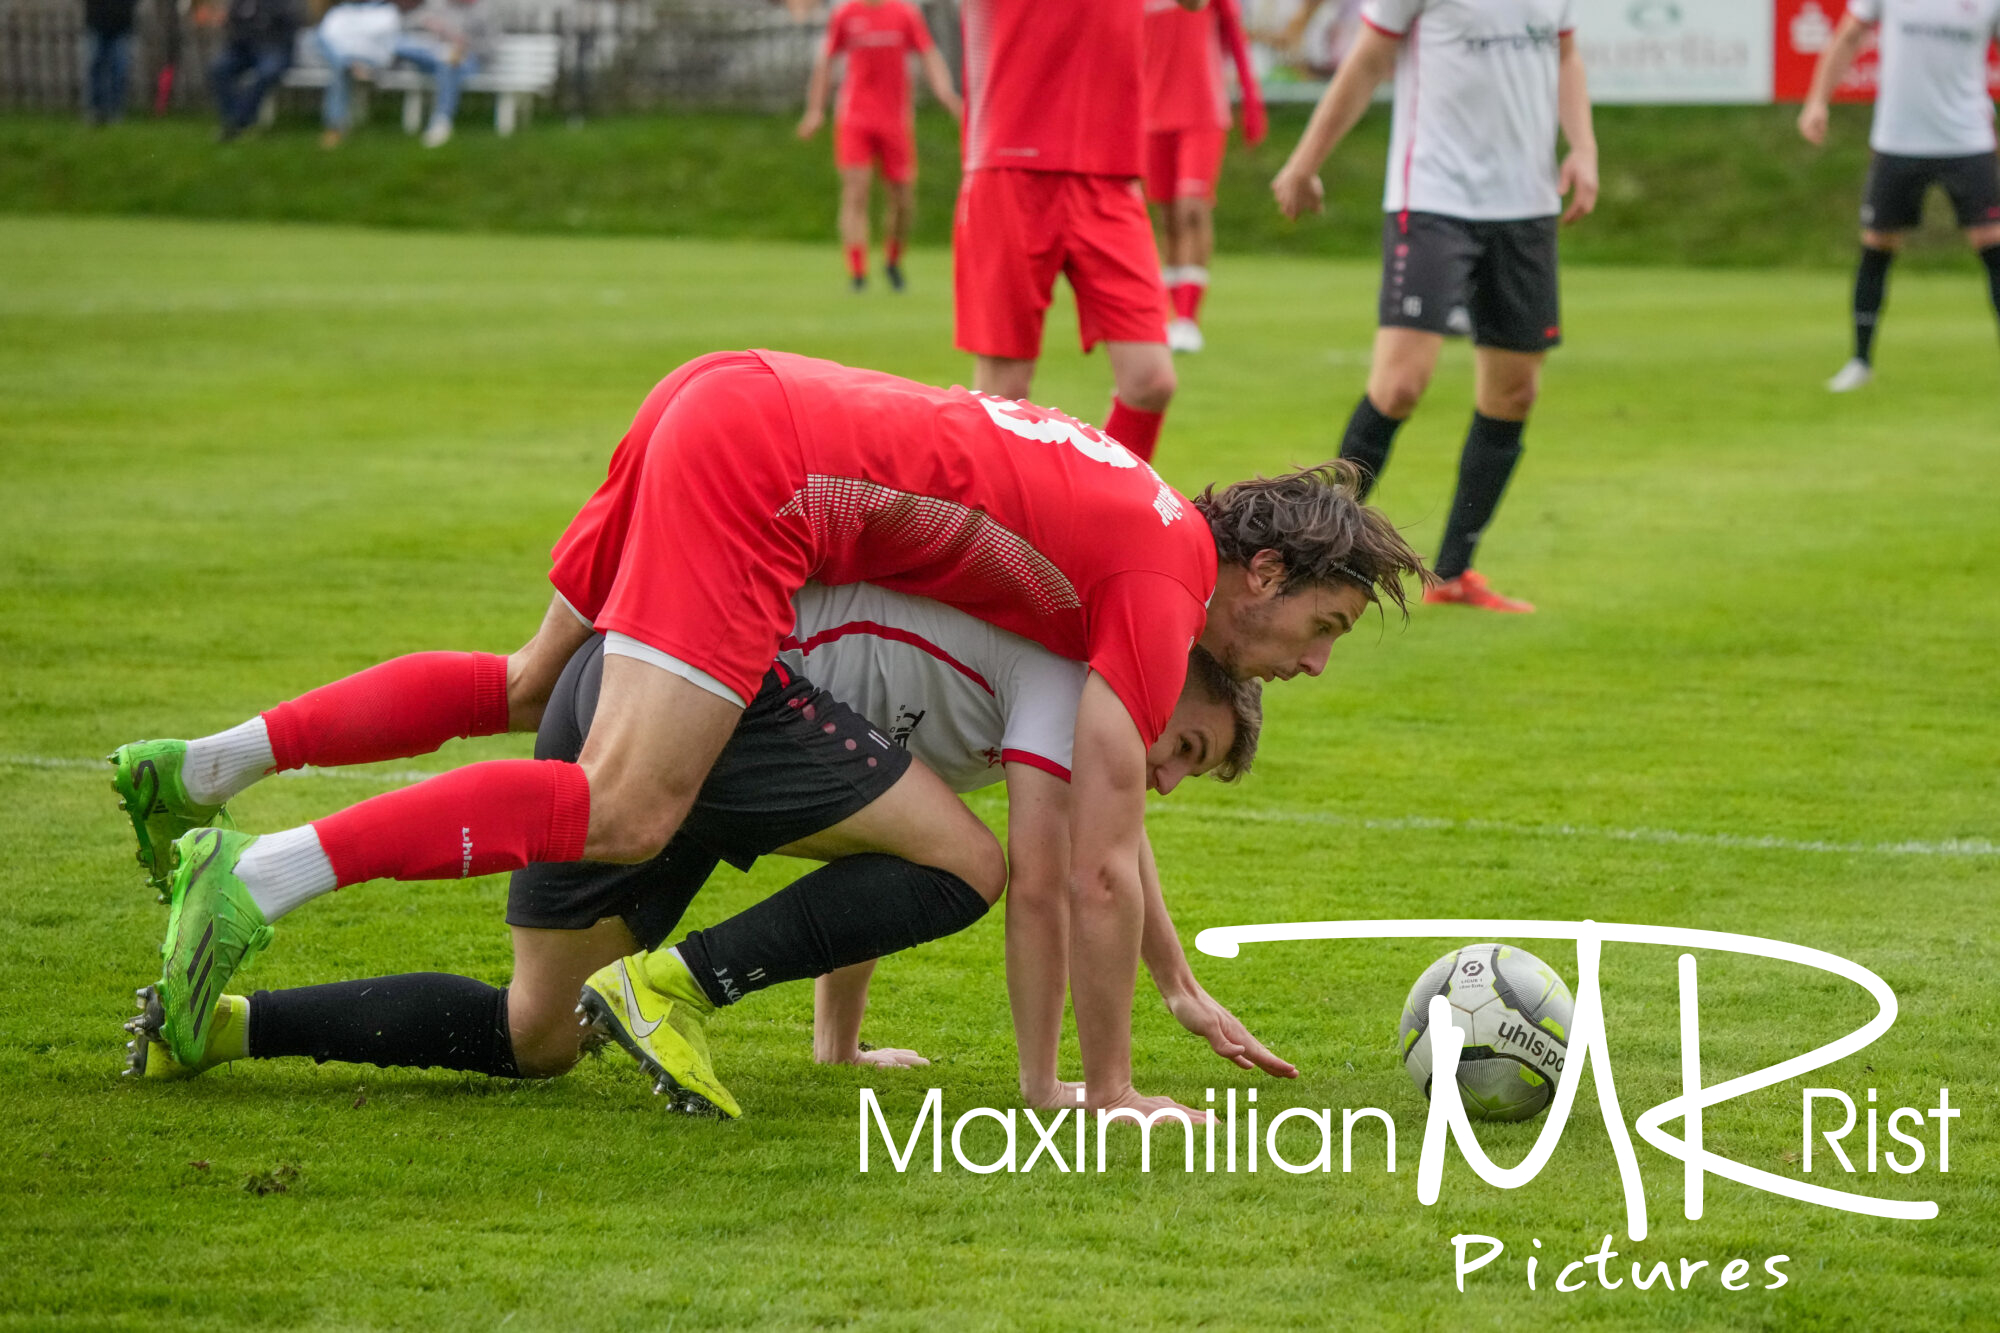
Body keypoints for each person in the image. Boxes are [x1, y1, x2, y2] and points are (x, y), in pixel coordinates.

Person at [113, 349, 1424, 1123]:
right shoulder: (1163, 586)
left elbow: (1041, 821)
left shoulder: (1137, 525)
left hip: (721, 391)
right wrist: (1094, 1087)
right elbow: (1076, 864)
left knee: (532, 734)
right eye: (1325, 624)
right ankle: (255, 875)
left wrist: (1175, 979)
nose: (1311, 658)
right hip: (762, 473)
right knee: (629, 802)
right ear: (1259, 572)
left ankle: (211, 779)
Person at [122, 587, 1284, 1118]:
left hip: (654, 687)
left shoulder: (1060, 712)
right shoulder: (1067, 673)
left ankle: (224, 1029)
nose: (1165, 774)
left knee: (536, 1036)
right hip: (704, 698)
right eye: (1184, 742)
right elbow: (1062, 877)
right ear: (1169, 668)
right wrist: (1065, 1090)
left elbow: (911, 830)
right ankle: (669, 987)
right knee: (974, 867)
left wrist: (840, 1048)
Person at [1272, 0, 1597, 614]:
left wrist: (1583, 147)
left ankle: (1452, 573)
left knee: (1513, 394)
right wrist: (1304, 162)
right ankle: (1310, 556)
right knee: (1398, 387)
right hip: (1433, 200)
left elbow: (1566, 54)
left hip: (1526, 209)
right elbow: (1368, 61)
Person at [953, 0, 1207, 463]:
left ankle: (1104, 515)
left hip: (1109, 172)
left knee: (1150, 380)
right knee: (1003, 393)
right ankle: (988, 531)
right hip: (1010, 163)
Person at [1797, 0, 2000, 392]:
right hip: (1898, 138)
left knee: (1992, 240)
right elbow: (1848, 36)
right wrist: (1817, 100)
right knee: (1878, 243)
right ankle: (1860, 361)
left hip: (1967, 138)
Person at [798, 0, 962, 291]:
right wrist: (815, 110)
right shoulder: (846, 14)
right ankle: (858, 273)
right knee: (855, 193)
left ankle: (893, 261)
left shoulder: (904, 13)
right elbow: (826, 61)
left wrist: (946, 94)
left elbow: (929, 54)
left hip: (895, 120)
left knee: (902, 200)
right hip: (854, 118)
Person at [1144, 0, 1267, 353]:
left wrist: (1251, 101)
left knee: (1192, 209)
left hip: (1201, 112)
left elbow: (1236, 40)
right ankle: (1170, 316)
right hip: (1152, 115)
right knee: (1167, 217)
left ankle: (1187, 319)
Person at [313, 0, 419, 149]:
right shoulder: (340, 12)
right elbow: (327, 38)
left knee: (341, 67)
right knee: (337, 61)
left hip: (373, 62)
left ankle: (335, 128)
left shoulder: (386, 12)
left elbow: (386, 45)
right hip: (344, 60)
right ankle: (349, 66)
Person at [397, 0, 496, 147]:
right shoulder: (437, 5)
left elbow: (490, 49)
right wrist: (429, 24)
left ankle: (441, 121)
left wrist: (464, 43)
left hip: (467, 61)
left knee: (448, 63)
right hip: (433, 54)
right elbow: (409, 21)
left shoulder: (485, 11)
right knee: (402, 44)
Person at [208, 0, 301, 142]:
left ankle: (238, 121)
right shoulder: (240, 3)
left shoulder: (285, 3)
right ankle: (235, 119)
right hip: (244, 50)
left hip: (275, 48)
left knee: (265, 73)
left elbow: (291, 25)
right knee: (219, 68)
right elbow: (233, 24)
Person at [82, 0, 139, 125]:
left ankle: (115, 110)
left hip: (122, 25)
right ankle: (96, 109)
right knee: (95, 67)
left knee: (120, 69)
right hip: (96, 22)